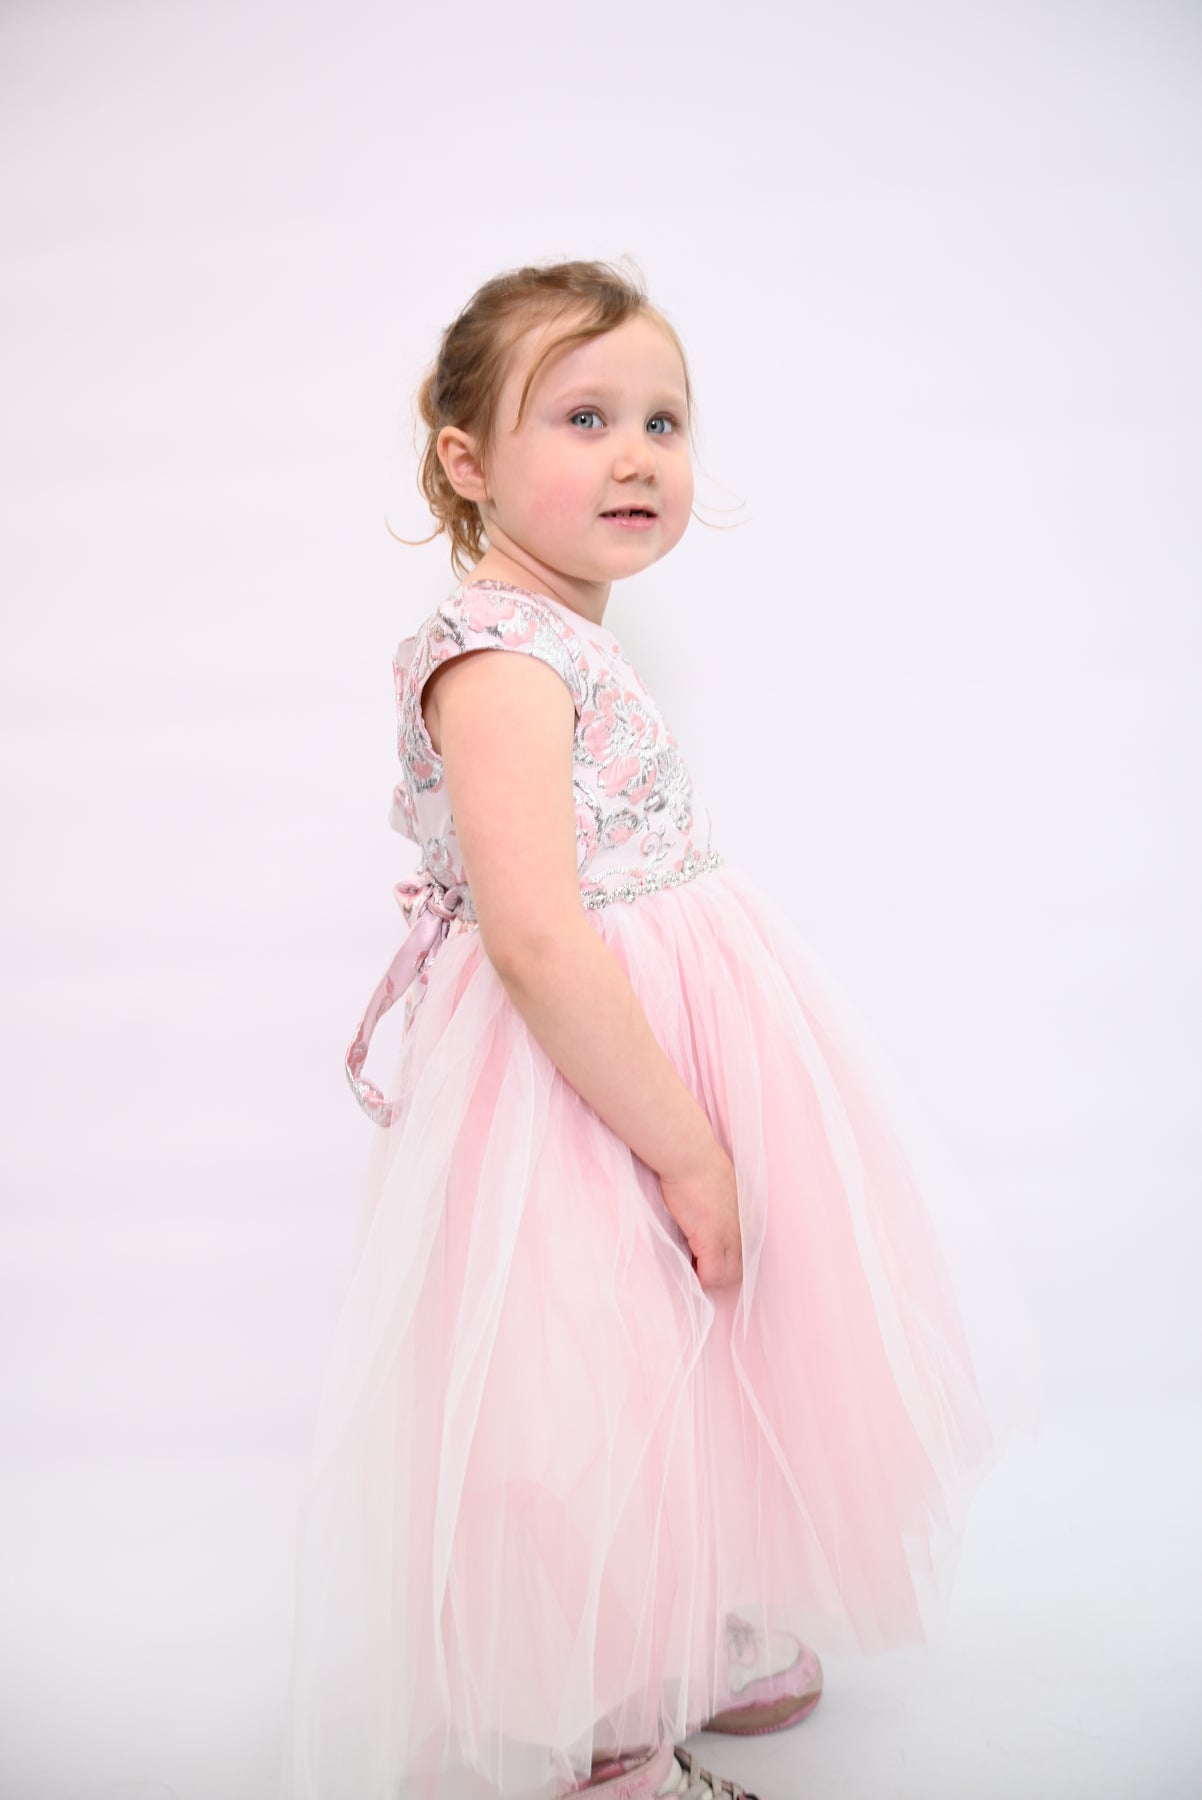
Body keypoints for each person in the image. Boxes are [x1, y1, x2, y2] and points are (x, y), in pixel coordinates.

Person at [280, 259, 1014, 1800]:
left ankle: (672, 1620)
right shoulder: (500, 658)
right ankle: (602, 1725)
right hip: (571, 1075)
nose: (635, 455)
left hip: (653, 1035)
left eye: (662, 422)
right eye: (583, 417)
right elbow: (539, 933)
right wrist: (682, 1145)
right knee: (584, 1375)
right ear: (467, 461)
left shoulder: (562, 634)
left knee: (683, 1339)